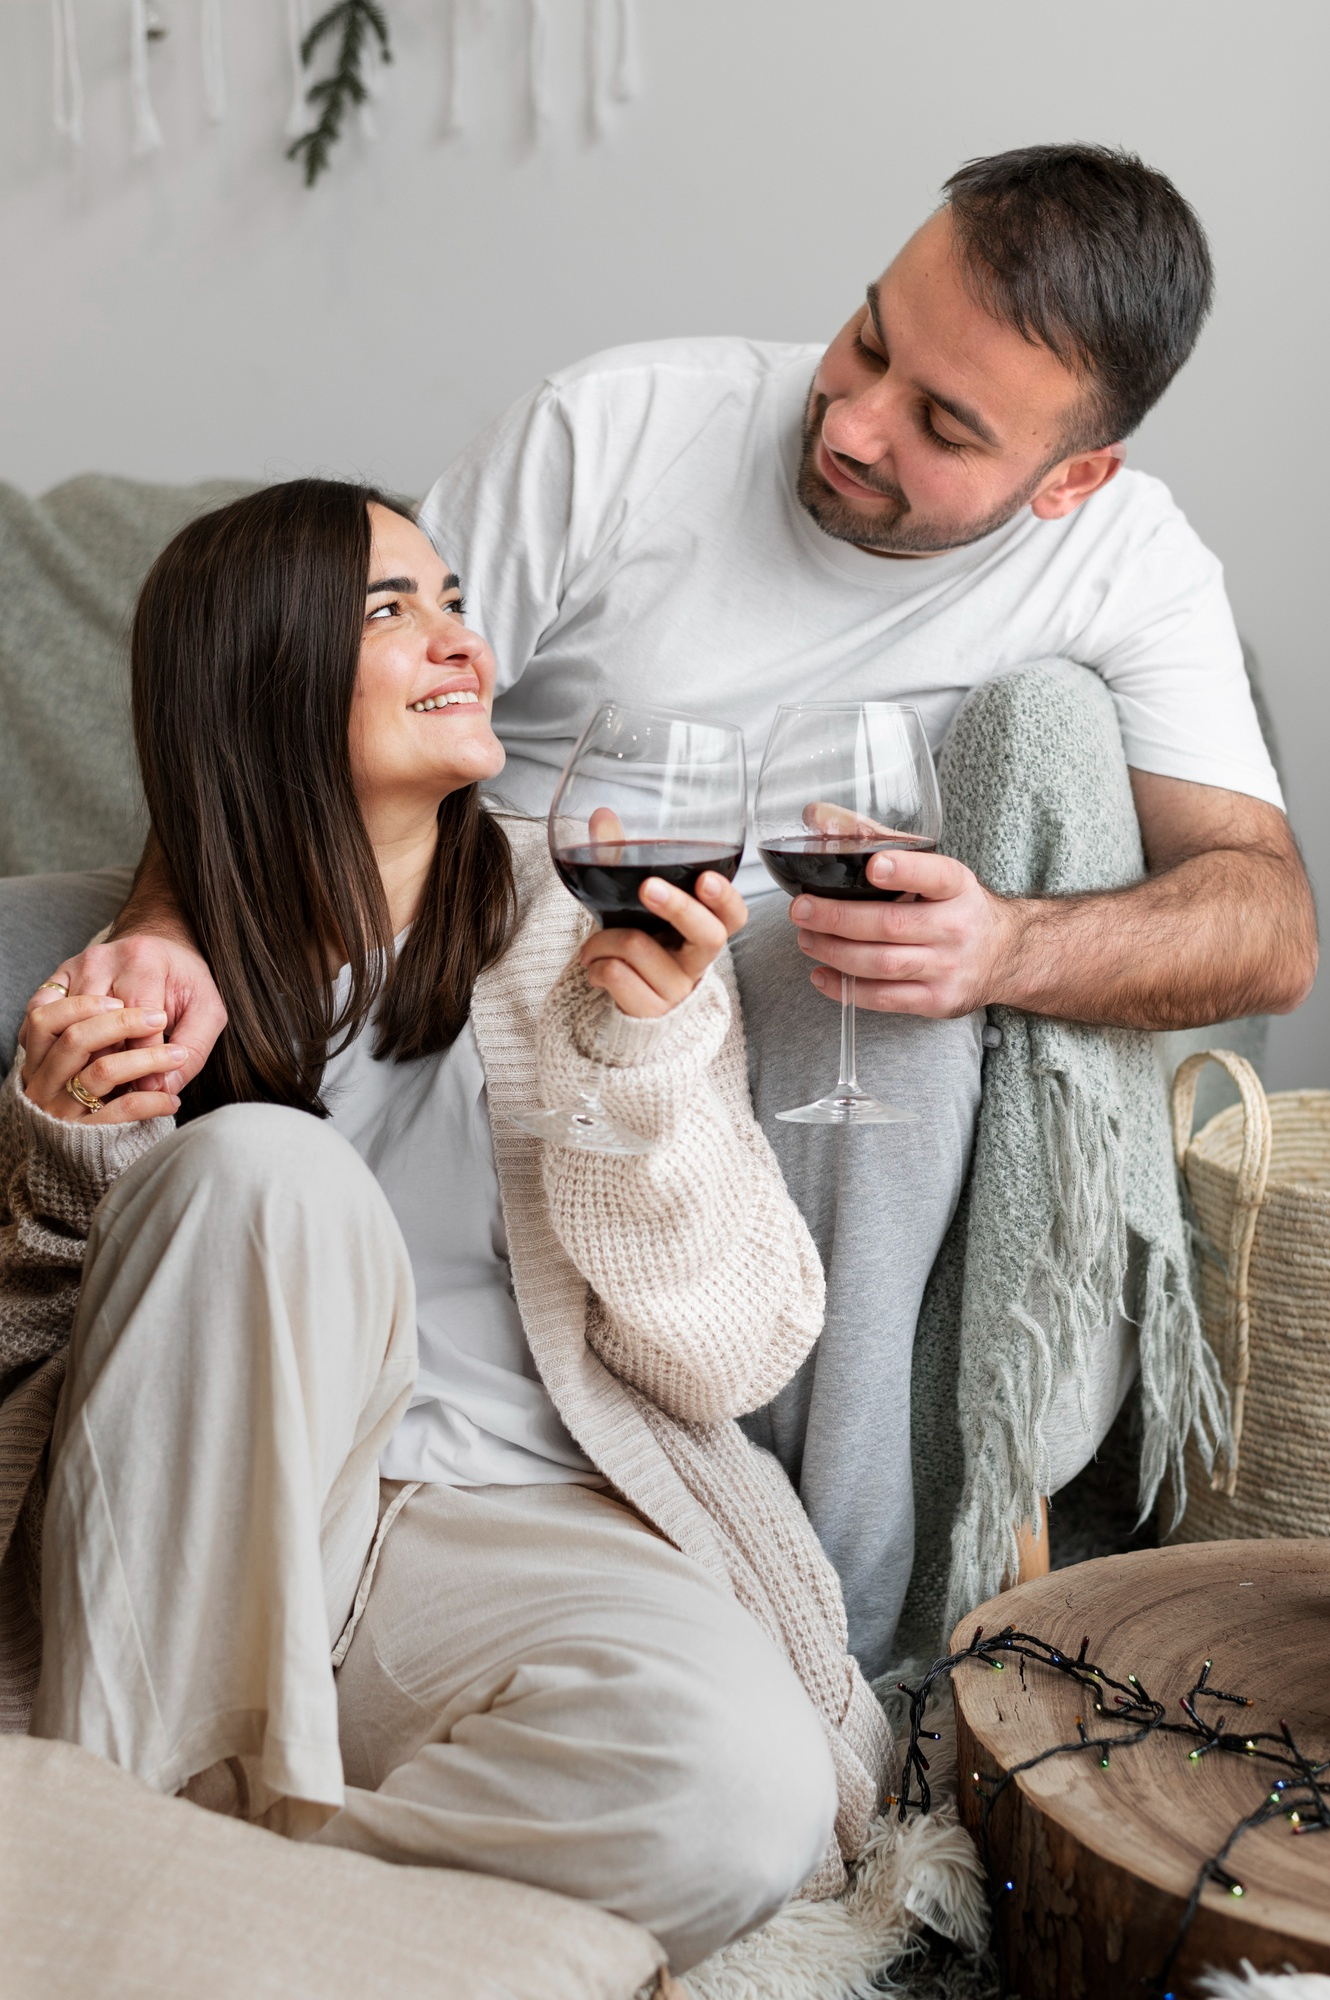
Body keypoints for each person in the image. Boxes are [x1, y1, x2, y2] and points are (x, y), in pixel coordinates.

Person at [47, 145, 1318, 1674]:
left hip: (714, 1023)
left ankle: (842, 1646)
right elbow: (322, 690)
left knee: (897, 1019)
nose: (850, 421)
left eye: (941, 424)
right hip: (438, 922)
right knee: (32, 962)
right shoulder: (622, 428)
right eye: (868, 337)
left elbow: (1265, 925)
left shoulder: (1134, 568)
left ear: (1070, 480)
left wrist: (1006, 945)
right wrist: (169, 924)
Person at [3, 480, 894, 1972]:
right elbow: (35, 1380)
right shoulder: (123, 993)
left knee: (740, 1794)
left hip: (523, 1543)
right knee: (263, 1176)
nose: (462, 642)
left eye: (457, 600)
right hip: (225, 1545)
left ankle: (156, 1895)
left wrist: (641, 1071)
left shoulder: (599, 936)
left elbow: (735, 1353)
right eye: (389, 608)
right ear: (259, 668)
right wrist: (61, 1159)